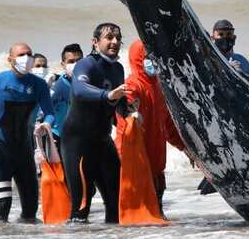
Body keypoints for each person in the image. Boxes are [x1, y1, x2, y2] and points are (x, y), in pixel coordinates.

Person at [0, 43, 55, 222]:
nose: (27, 58)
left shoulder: (39, 85)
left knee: (31, 211)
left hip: (24, 153)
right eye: (22, 54)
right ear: (10, 60)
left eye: (30, 54)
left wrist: (46, 124)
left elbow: (49, 113)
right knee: (2, 209)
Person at [60, 23, 128, 223]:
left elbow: (119, 103)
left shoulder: (118, 68)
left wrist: (128, 109)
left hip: (103, 141)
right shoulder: (86, 64)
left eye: (118, 38)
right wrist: (108, 94)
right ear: (95, 42)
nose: (114, 42)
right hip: (77, 143)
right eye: (109, 37)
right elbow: (80, 90)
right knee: (81, 208)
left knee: (115, 204)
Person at [115, 39, 186, 216]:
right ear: (137, 58)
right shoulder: (132, 86)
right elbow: (124, 117)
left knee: (156, 219)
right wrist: (131, 114)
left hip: (155, 168)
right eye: (147, 57)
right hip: (136, 166)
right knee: (136, 219)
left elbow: (168, 125)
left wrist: (185, 148)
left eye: (154, 56)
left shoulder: (159, 87)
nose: (152, 60)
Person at [48, 43, 84, 153]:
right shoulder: (58, 87)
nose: (76, 64)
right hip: (60, 139)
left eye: (79, 60)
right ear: (63, 64)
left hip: (83, 138)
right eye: (71, 62)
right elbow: (44, 112)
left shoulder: (88, 82)